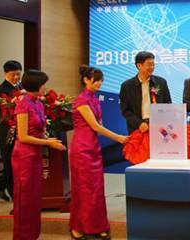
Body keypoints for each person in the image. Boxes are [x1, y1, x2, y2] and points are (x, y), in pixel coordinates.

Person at [69, 65, 129, 240]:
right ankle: (78, 226)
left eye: (101, 80)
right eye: (97, 80)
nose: (100, 83)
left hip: (93, 147)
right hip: (82, 149)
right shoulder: (81, 100)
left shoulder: (94, 99)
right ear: (86, 80)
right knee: (83, 189)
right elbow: (95, 126)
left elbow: (99, 124)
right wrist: (119, 138)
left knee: (96, 189)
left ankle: (98, 225)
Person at [11, 70, 66, 239]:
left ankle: (32, 234)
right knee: (25, 199)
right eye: (43, 84)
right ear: (35, 85)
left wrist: (49, 139)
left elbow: (38, 131)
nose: (45, 87)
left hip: (35, 155)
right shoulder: (23, 104)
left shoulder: (38, 103)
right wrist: (48, 143)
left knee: (35, 199)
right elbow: (23, 136)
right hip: (24, 156)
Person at [119, 51, 172, 134]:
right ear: (139, 65)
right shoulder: (127, 86)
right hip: (138, 128)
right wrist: (139, 123)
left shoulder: (161, 82)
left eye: (153, 64)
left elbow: (168, 103)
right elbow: (125, 110)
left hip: (159, 127)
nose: (152, 67)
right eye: (149, 64)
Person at [0, 60, 22, 202]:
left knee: (17, 162)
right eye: (13, 75)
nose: (16, 78)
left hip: (20, 127)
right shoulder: (1, 90)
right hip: (6, 129)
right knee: (9, 161)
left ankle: (0, 185)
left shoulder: (21, 86)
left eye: (18, 74)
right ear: (5, 73)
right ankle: (14, 194)